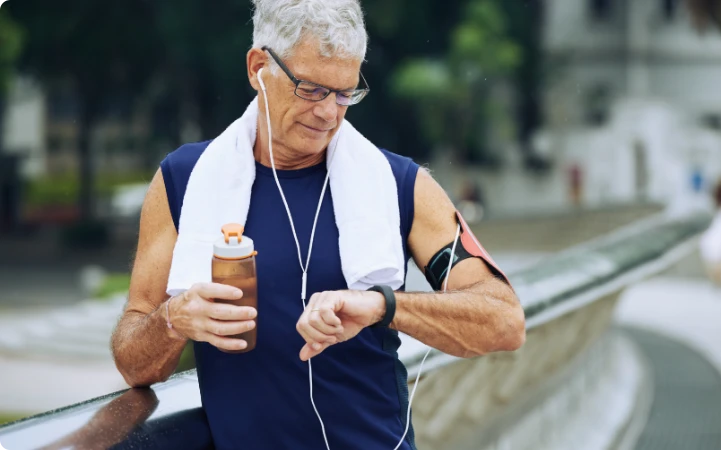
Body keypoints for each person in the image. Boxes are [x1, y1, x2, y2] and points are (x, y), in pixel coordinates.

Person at [110, 1, 526, 449]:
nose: (330, 112)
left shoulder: (399, 184)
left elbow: (504, 321)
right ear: (257, 67)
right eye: (311, 89)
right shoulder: (184, 181)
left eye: (344, 93)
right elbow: (135, 363)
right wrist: (173, 320)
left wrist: (383, 306)